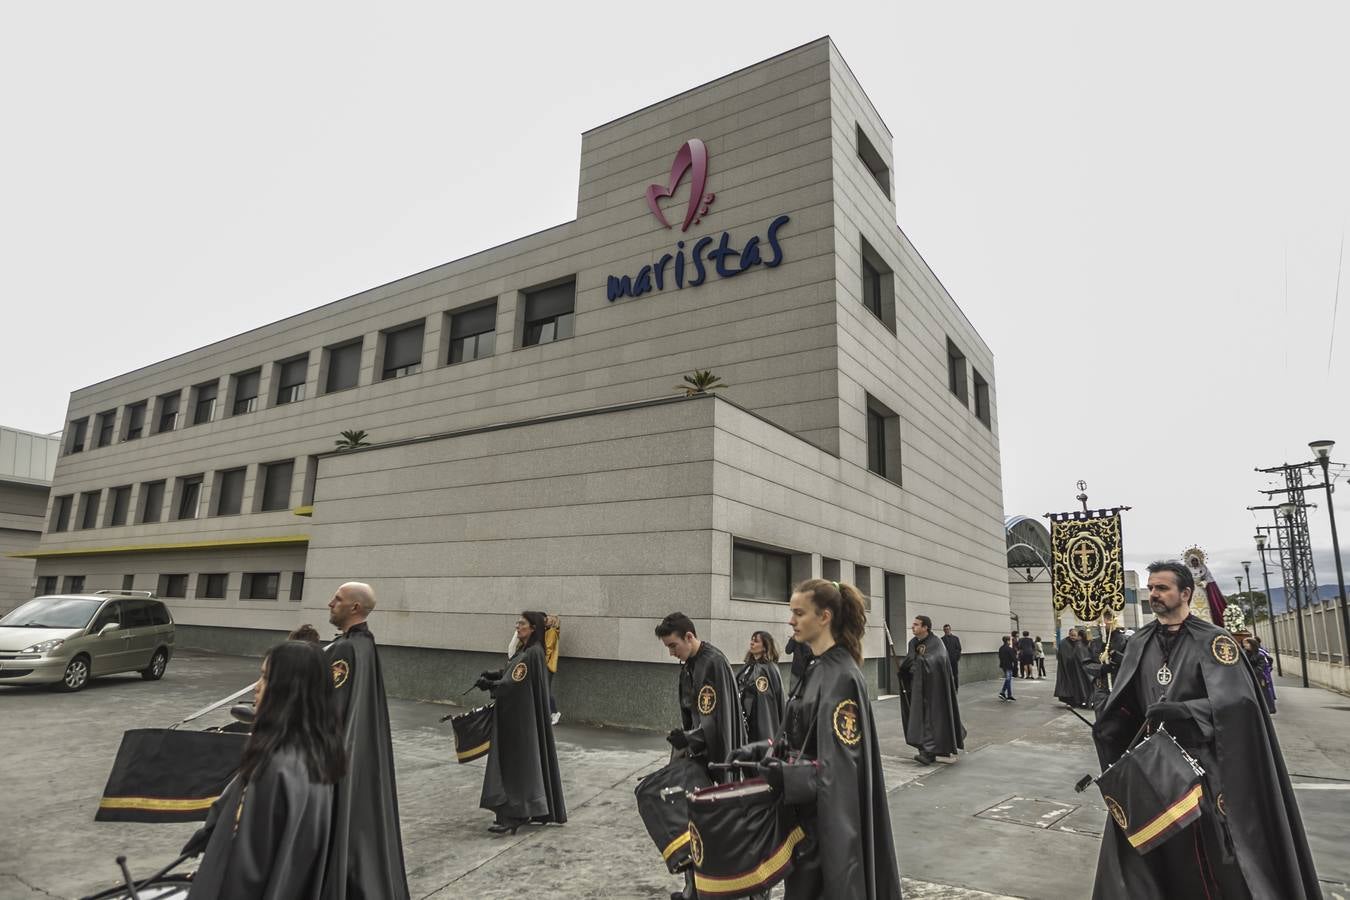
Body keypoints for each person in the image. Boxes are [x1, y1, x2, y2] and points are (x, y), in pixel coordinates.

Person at [1091, 561, 1321, 899]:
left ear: (1185, 593)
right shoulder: (1138, 642)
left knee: (1212, 857)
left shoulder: (1215, 643)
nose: (1154, 594)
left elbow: (1241, 706)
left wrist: (1187, 710)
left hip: (1203, 769)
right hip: (1152, 767)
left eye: (1162, 588)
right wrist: (1109, 712)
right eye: (1152, 588)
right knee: (1148, 850)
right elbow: (1129, 702)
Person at [732, 579, 902, 900]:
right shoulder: (816, 668)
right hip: (807, 826)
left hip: (826, 834)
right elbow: (800, 736)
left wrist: (785, 775)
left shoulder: (841, 677)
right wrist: (765, 752)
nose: (791, 621)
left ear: (824, 617)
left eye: (799, 613)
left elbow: (840, 773)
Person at [185, 640, 346, 899]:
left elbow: (246, 870)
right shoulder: (317, 754)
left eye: (265, 678)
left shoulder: (276, 766)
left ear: (289, 690)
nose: (257, 688)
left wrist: (211, 873)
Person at [323, 582, 410, 900]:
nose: (330, 602)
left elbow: (331, 707)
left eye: (338, 599)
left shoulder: (346, 650)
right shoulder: (363, 645)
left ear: (354, 608)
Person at [655, 612, 746, 900]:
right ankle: (693, 889)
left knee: (710, 829)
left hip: (712, 761)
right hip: (696, 756)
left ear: (689, 637)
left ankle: (709, 891)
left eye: (673, 646)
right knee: (690, 823)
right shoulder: (691, 664)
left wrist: (691, 739)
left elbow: (716, 720)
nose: (671, 653)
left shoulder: (712, 663)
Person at [475, 611, 567, 833]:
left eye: (522, 623)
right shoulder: (528, 651)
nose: (517, 626)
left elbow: (514, 684)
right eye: (518, 622)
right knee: (524, 764)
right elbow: (513, 672)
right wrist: (496, 675)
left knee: (517, 767)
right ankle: (532, 809)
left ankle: (515, 814)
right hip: (521, 718)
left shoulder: (531, 653)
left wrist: (491, 685)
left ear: (533, 627)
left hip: (518, 722)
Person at [899, 614, 965, 765]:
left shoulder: (936, 643)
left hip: (934, 688)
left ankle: (929, 752)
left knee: (933, 718)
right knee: (920, 717)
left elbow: (938, 659)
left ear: (925, 627)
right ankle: (925, 749)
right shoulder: (913, 642)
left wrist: (921, 662)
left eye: (916, 624)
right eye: (913, 624)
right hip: (917, 688)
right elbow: (910, 660)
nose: (913, 627)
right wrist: (904, 670)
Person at [737, 630, 785, 743]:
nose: (751, 643)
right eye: (751, 640)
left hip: (761, 719)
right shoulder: (748, 667)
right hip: (745, 719)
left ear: (765, 647)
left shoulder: (770, 669)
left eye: (756, 641)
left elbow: (772, 700)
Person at [1085, 611, 1128, 710]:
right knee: (1102, 717)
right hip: (1101, 688)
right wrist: (1101, 668)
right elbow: (1087, 664)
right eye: (1100, 622)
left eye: (1107, 620)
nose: (1102, 624)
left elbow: (1131, 662)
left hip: (1120, 686)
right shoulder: (1094, 643)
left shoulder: (1125, 640)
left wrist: (1116, 657)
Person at [1054, 627, 1093, 708]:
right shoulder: (1064, 643)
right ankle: (1073, 701)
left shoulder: (1078, 643)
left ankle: (1079, 700)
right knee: (1070, 686)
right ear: (1069, 634)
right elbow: (1065, 656)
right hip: (1068, 669)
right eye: (1072, 635)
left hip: (1076, 669)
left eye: (1075, 636)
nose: (1073, 637)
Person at [1245, 635, 1277, 713]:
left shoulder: (1260, 654)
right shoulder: (1245, 654)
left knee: (1263, 693)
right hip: (1250, 675)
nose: (1245, 645)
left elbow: (1263, 664)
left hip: (1259, 676)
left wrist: (1253, 672)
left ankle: (1268, 708)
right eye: (1244, 643)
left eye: (1247, 643)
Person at [940, 624, 963, 690]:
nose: (946, 631)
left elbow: (959, 649)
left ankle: (956, 688)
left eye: (947, 629)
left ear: (950, 629)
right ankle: (948, 689)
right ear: (943, 630)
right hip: (945, 661)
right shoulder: (941, 640)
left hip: (954, 661)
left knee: (955, 675)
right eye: (945, 629)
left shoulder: (955, 638)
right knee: (946, 675)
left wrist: (956, 658)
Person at [997, 635, 1017, 701]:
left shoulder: (1001, 648)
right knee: (1008, 679)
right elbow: (1014, 658)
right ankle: (1006, 693)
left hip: (1003, 665)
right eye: (1010, 640)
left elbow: (1000, 657)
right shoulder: (1009, 649)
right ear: (1008, 641)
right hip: (1008, 665)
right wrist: (1015, 665)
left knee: (1008, 679)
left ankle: (1006, 694)